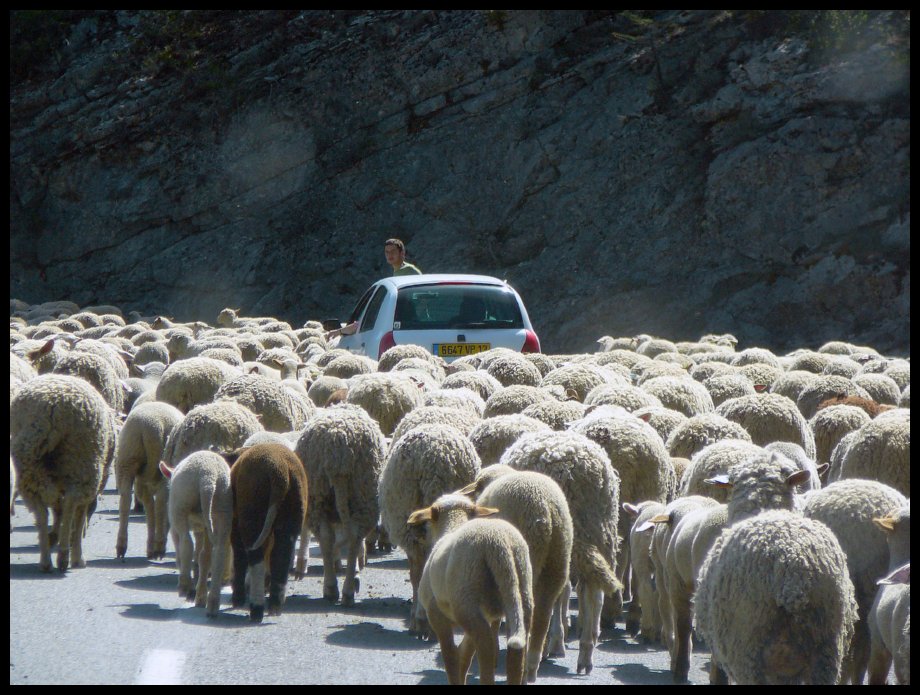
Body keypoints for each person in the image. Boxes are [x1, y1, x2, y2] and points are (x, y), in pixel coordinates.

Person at [326, 238, 422, 339]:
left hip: (409, 321)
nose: (390, 255)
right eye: (387, 252)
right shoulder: (397, 272)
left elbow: (420, 296)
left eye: (393, 251)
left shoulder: (409, 271)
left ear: (402, 253)